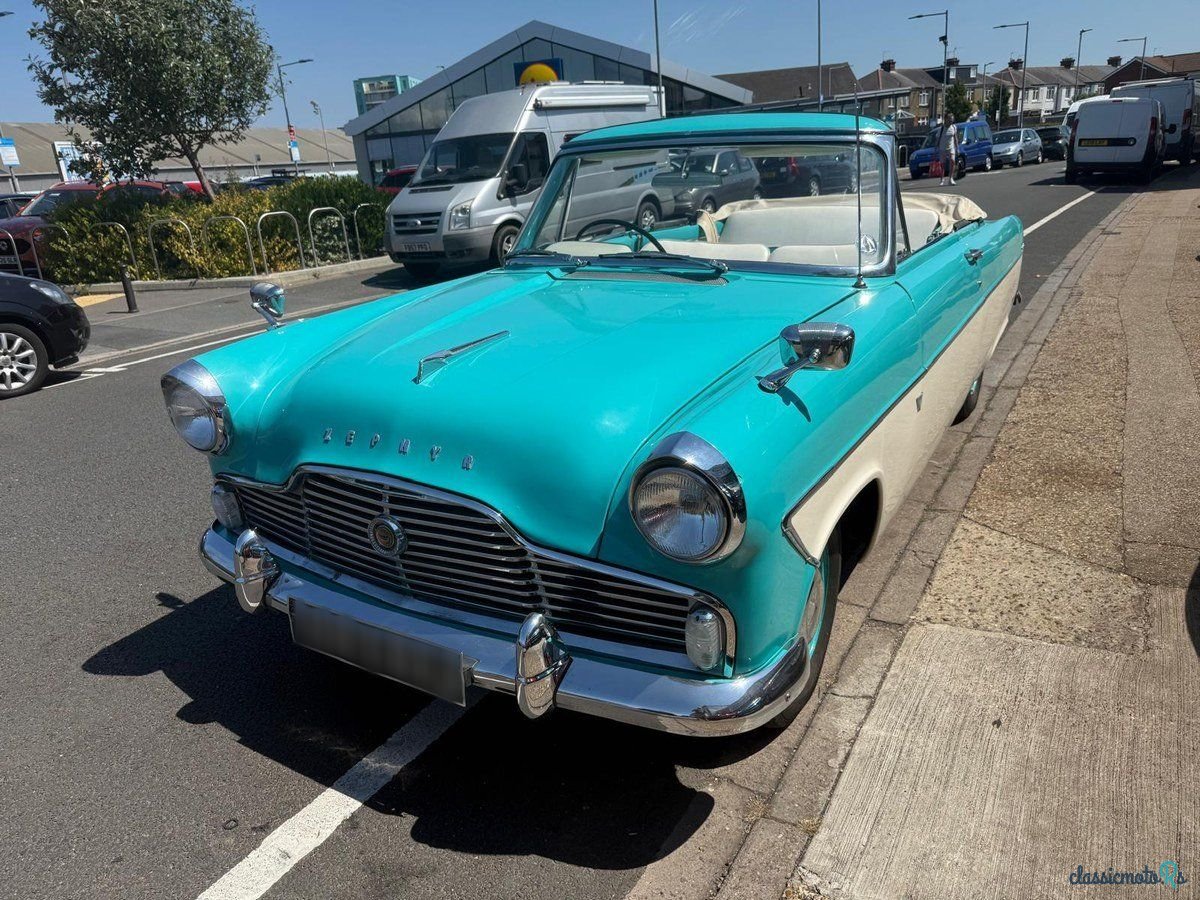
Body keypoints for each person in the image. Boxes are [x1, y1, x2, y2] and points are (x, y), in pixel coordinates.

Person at [937, 112, 958, 186]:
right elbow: (938, 139)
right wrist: (936, 148)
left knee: (952, 161)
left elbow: (955, 138)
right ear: (945, 119)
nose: (951, 121)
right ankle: (942, 179)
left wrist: (957, 148)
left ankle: (951, 178)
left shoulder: (954, 127)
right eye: (950, 120)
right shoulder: (941, 129)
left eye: (952, 120)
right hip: (942, 148)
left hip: (951, 148)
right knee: (942, 165)